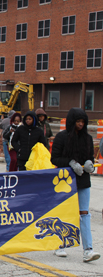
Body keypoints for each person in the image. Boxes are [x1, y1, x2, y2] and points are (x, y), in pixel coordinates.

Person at [51, 108, 100, 262]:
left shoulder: (87, 138)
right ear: (72, 122)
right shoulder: (61, 137)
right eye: (78, 121)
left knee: (84, 214)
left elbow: (90, 156)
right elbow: (55, 159)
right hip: (65, 181)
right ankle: (60, 245)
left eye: (83, 122)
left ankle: (88, 250)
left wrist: (89, 163)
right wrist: (71, 163)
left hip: (83, 180)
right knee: (65, 213)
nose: (80, 124)